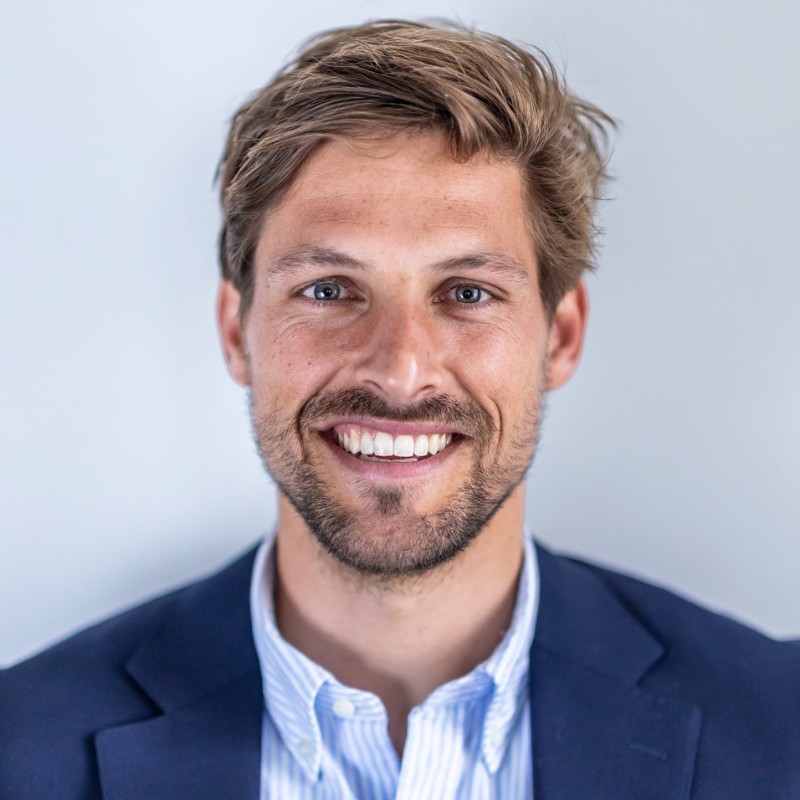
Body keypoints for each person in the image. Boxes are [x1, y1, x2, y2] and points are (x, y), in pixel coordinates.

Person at [1, 19, 798, 800]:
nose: (399, 369)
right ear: (237, 331)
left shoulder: (780, 729)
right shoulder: (19, 748)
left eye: (467, 293)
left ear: (560, 337)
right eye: (328, 290)